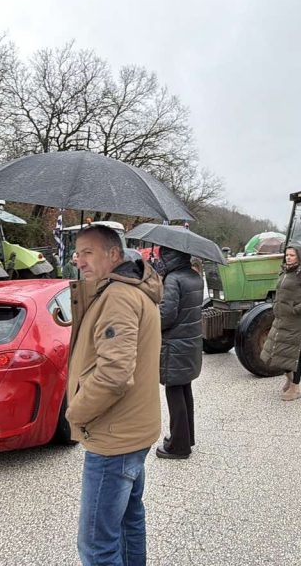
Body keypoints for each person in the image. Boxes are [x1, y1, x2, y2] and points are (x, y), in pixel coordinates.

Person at [65, 225, 163, 566]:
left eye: (89, 252)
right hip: (132, 431)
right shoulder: (125, 291)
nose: (80, 260)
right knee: (127, 522)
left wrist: (75, 412)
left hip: (113, 437)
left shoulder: (118, 297)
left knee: (96, 544)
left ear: (114, 255)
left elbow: (114, 374)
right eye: (78, 252)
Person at [155, 246, 203, 460]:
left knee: (174, 392)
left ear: (169, 255)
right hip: (190, 342)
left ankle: (178, 446)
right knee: (184, 390)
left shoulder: (173, 279)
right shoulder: (193, 275)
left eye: (162, 255)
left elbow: (167, 315)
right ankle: (185, 436)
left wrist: (153, 313)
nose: (159, 259)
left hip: (175, 344)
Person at [260, 243, 301, 401]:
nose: (288, 257)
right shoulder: (285, 272)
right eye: (287, 255)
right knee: (279, 351)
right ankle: (289, 378)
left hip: (295, 321)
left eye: (292, 255)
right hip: (281, 319)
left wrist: (298, 309)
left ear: (299, 257)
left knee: (294, 355)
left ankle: (296, 388)